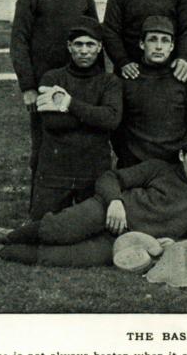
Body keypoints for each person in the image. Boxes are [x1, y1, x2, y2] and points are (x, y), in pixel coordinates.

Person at [0, 130, 187, 268]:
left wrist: (175, 243)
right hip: (107, 211)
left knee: (64, 258)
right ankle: (5, 235)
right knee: (55, 230)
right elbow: (109, 178)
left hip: (130, 242)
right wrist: (115, 202)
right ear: (181, 156)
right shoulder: (158, 169)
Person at [10, 0, 99, 208]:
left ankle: (82, 209)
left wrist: (99, 83)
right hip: (44, 88)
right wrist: (28, 87)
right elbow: (19, 42)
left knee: (82, 145)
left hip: (81, 85)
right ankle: (38, 209)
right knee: (44, 148)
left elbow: (96, 41)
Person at [29, 16, 122, 220]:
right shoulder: (52, 78)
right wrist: (93, 116)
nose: (84, 50)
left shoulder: (109, 82)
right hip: (55, 171)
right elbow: (53, 122)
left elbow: (111, 120)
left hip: (93, 171)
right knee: (41, 231)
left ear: (99, 47)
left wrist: (69, 103)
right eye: (78, 44)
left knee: (88, 235)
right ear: (69, 47)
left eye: (90, 44)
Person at [116, 16, 187, 168]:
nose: (158, 46)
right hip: (135, 165)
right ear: (142, 44)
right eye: (152, 40)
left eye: (165, 41)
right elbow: (117, 130)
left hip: (175, 166)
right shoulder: (128, 79)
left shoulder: (182, 79)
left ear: (172, 46)